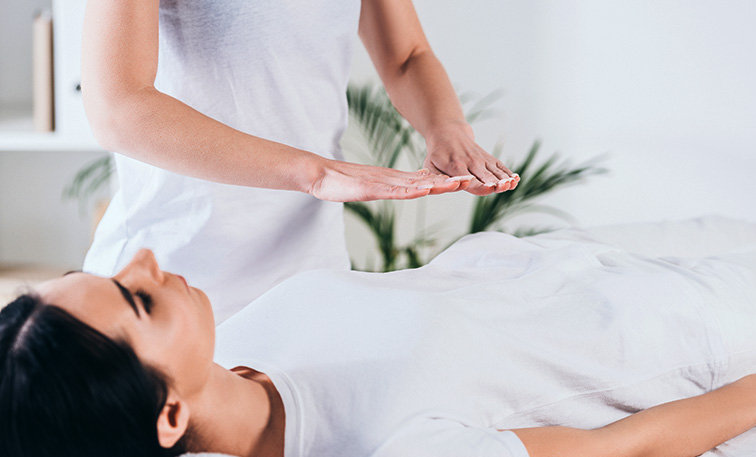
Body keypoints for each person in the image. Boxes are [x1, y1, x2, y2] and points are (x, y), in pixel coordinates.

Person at [2, 218, 756, 457]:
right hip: (700, 331)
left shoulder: (243, 338)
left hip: (598, 258)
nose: (142, 257)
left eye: (109, 276)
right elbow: (617, 454)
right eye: (138, 301)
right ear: (170, 413)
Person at [79, 0, 520, 324]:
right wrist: (315, 172)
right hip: (168, 286)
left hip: (311, 277)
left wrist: (449, 129)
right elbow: (119, 107)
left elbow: (407, 56)